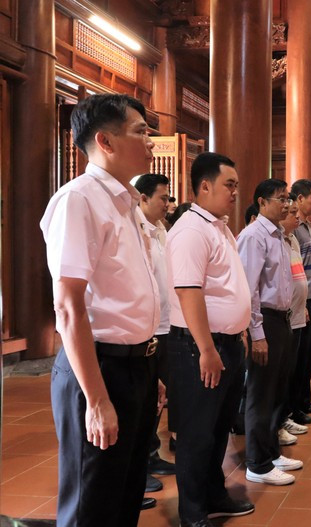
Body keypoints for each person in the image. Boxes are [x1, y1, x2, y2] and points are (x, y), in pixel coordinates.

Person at [40, 93, 163, 527]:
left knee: (125, 491)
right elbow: (68, 305)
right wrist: (95, 400)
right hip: (98, 368)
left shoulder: (125, 202)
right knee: (91, 501)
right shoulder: (80, 200)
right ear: (105, 141)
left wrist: (150, 368)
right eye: (141, 132)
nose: (151, 142)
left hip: (136, 367)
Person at [167, 152, 254, 526]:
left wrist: (240, 332)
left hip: (226, 344)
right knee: (197, 433)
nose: (236, 192)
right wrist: (206, 349)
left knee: (219, 428)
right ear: (205, 186)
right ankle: (193, 512)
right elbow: (189, 293)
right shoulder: (190, 230)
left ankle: (214, 493)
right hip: (199, 347)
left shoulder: (218, 226)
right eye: (229, 185)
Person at [238, 179, 303, 486]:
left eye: (288, 198)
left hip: (281, 319)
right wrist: (258, 333)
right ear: (262, 203)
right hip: (264, 320)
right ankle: (257, 462)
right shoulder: (254, 236)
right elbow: (248, 288)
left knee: (277, 390)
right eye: (280, 199)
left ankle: (271, 452)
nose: (287, 203)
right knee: (260, 393)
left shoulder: (279, 235)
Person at [134, 173, 177, 493]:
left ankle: (150, 454)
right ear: (143, 198)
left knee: (157, 397)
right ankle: (137, 467)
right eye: (163, 197)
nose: (168, 203)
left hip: (165, 325)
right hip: (146, 328)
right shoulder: (135, 228)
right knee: (142, 399)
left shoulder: (161, 228)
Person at [289, 179, 311, 425]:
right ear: (299, 199)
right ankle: (295, 406)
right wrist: (300, 304)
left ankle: (304, 399)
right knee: (300, 354)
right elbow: (294, 268)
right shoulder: (293, 227)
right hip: (305, 299)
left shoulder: (308, 226)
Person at [278, 193, 310, 444]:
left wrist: (304, 305)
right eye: (291, 213)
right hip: (280, 317)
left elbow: (298, 276)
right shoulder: (270, 240)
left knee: (291, 369)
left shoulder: (291, 241)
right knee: (278, 375)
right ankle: (278, 421)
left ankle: (286, 414)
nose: (296, 216)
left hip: (297, 315)